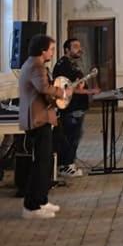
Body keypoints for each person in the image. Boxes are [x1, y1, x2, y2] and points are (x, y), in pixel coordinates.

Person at [19, 34, 66, 219]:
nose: (53, 53)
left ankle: (41, 200)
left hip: (40, 118)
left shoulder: (32, 64)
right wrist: (62, 92)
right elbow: (44, 88)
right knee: (41, 163)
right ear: (42, 50)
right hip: (38, 120)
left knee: (45, 162)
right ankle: (32, 207)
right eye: (51, 49)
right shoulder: (36, 66)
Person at [54, 38, 100, 177]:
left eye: (80, 46)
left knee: (74, 136)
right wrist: (90, 91)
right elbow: (67, 88)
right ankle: (66, 165)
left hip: (77, 107)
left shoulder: (72, 64)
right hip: (71, 108)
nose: (80, 49)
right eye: (75, 47)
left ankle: (69, 163)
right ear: (67, 49)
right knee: (71, 137)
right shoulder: (64, 65)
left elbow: (77, 83)